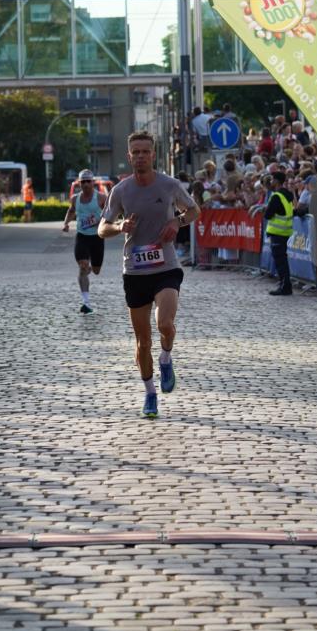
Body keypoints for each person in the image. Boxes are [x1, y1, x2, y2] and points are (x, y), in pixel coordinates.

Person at [98, 131, 200, 418]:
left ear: (153, 155)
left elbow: (194, 211)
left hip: (166, 267)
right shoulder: (120, 191)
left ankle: (166, 358)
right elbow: (101, 229)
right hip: (135, 271)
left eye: (145, 151)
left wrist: (176, 222)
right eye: (136, 152)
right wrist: (120, 227)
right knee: (142, 340)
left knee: (165, 323)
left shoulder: (169, 185)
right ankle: (150, 394)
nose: (140, 156)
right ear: (129, 156)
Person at [62, 169, 107, 314]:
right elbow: (71, 211)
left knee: (96, 270)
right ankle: (86, 302)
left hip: (97, 237)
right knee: (82, 266)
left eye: (89, 181)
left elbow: (111, 212)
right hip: (82, 237)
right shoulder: (75, 198)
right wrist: (66, 223)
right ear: (79, 184)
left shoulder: (100, 197)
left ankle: (89, 269)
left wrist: (104, 221)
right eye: (83, 182)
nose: (86, 184)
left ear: (93, 183)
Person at [264, 170, 295, 296]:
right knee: (282, 260)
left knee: (280, 261)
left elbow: (268, 214)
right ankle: (285, 284)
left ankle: (285, 287)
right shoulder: (288, 195)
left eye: (272, 179)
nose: (270, 182)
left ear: (276, 181)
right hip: (285, 231)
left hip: (277, 232)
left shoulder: (276, 196)